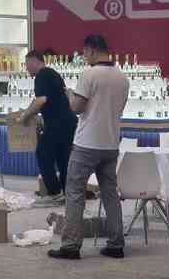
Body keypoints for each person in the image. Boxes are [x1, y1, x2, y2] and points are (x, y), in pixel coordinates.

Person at [48, 34, 129, 261]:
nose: (84, 57)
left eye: (85, 53)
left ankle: (71, 245)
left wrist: (69, 94)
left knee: (74, 192)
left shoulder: (89, 75)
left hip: (86, 144)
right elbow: (119, 109)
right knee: (110, 194)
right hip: (111, 143)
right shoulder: (122, 78)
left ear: (92, 50)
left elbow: (77, 107)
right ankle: (116, 244)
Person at [12, 49, 76, 199]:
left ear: (35, 61)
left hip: (57, 123)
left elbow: (41, 100)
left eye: (27, 64)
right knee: (63, 158)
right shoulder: (53, 74)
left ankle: (54, 192)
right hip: (68, 122)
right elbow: (53, 100)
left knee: (43, 154)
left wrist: (24, 116)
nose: (27, 68)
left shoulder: (41, 76)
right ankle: (66, 193)